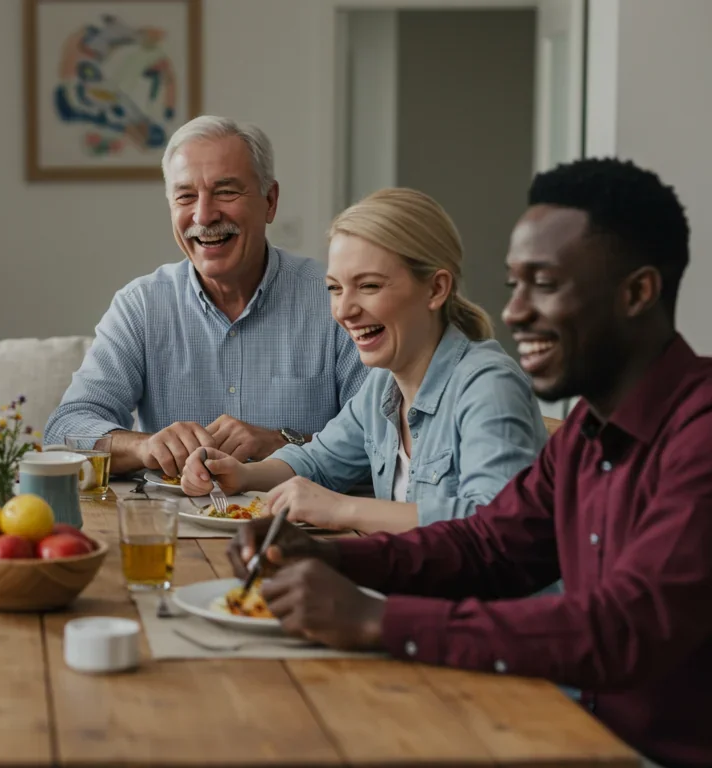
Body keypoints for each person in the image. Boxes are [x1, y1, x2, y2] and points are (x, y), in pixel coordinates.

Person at [228, 159, 710, 768]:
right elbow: (491, 545)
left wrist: (378, 618)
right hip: (561, 727)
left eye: (545, 284)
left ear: (637, 294)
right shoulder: (588, 433)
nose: (514, 312)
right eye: (515, 285)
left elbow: (620, 630)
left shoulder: (700, 433)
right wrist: (332, 557)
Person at [180, 189, 545, 534]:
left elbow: (496, 524)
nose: (344, 310)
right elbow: (318, 462)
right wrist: (241, 475)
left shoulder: (488, 386)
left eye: (369, 286)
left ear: (436, 289)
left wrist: (342, 509)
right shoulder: (384, 386)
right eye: (335, 288)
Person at [44, 116, 367, 478]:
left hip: (299, 512)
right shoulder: (142, 306)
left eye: (226, 192)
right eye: (185, 196)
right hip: (174, 511)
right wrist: (145, 447)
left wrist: (283, 442)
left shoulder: (333, 300)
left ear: (270, 201)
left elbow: (381, 441)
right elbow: (65, 430)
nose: (204, 215)